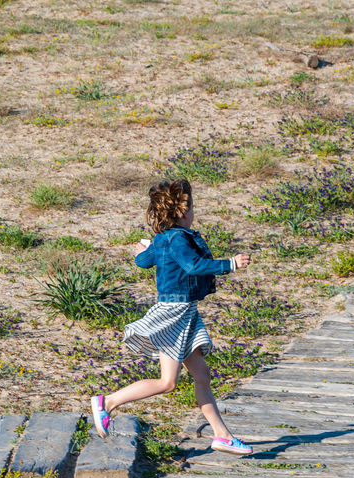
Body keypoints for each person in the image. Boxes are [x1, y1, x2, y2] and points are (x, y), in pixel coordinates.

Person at [90, 178, 253, 455]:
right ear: (180, 212)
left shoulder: (162, 238)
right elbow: (193, 265)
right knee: (168, 383)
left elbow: (143, 261)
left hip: (185, 312)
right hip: (175, 313)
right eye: (191, 208)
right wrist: (231, 264)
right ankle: (107, 403)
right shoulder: (178, 239)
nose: (193, 213)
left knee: (202, 375)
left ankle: (222, 435)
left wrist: (142, 251)